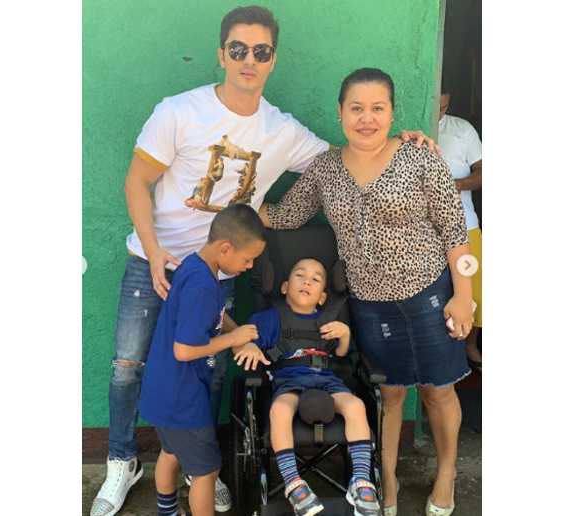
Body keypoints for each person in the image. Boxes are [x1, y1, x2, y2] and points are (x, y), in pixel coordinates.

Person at [91, 5, 436, 515]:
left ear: (273, 59)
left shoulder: (282, 130)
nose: (248, 59)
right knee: (128, 365)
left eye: (261, 51)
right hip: (154, 261)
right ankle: (122, 460)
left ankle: (200, 466)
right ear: (221, 55)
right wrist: (155, 247)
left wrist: (400, 143)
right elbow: (136, 182)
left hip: (219, 271)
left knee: (210, 370)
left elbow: (345, 157)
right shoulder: (179, 111)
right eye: (238, 49)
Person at [259, 68, 473, 516]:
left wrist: (463, 294)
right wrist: (235, 199)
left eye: (378, 108)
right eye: (356, 108)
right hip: (370, 305)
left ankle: (447, 473)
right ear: (340, 113)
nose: (366, 118)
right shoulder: (326, 168)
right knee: (389, 394)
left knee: (437, 391)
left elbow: (454, 229)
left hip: (430, 294)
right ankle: (386, 478)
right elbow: (285, 215)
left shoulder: (419, 157)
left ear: (392, 114)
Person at [137, 204, 266, 516]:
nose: (250, 266)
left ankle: (168, 513)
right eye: (247, 259)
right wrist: (232, 340)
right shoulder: (203, 287)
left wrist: (239, 337)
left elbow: (216, 316)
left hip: (163, 390)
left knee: (170, 454)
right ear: (225, 248)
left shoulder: (196, 268)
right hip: (183, 398)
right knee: (207, 472)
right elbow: (184, 350)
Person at [235, 258, 382, 516]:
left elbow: (341, 357)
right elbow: (247, 338)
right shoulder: (270, 318)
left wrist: (345, 335)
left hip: (327, 380)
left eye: (316, 279)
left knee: (356, 405)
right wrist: (249, 346)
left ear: (323, 296)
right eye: (300, 275)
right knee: (280, 409)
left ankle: (360, 480)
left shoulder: (329, 319)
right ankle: (293, 483)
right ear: (284, 287)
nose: (307, 281)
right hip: (289, 382)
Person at [438, 77, 483, 371]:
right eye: (435, 107)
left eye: (444, 108)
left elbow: (484, 172)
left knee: (476, 290)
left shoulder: (462, 129)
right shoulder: (408, 131)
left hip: (465, 225)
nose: (439, 113)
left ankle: (470, 345)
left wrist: (460, 184)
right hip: (424, 232)